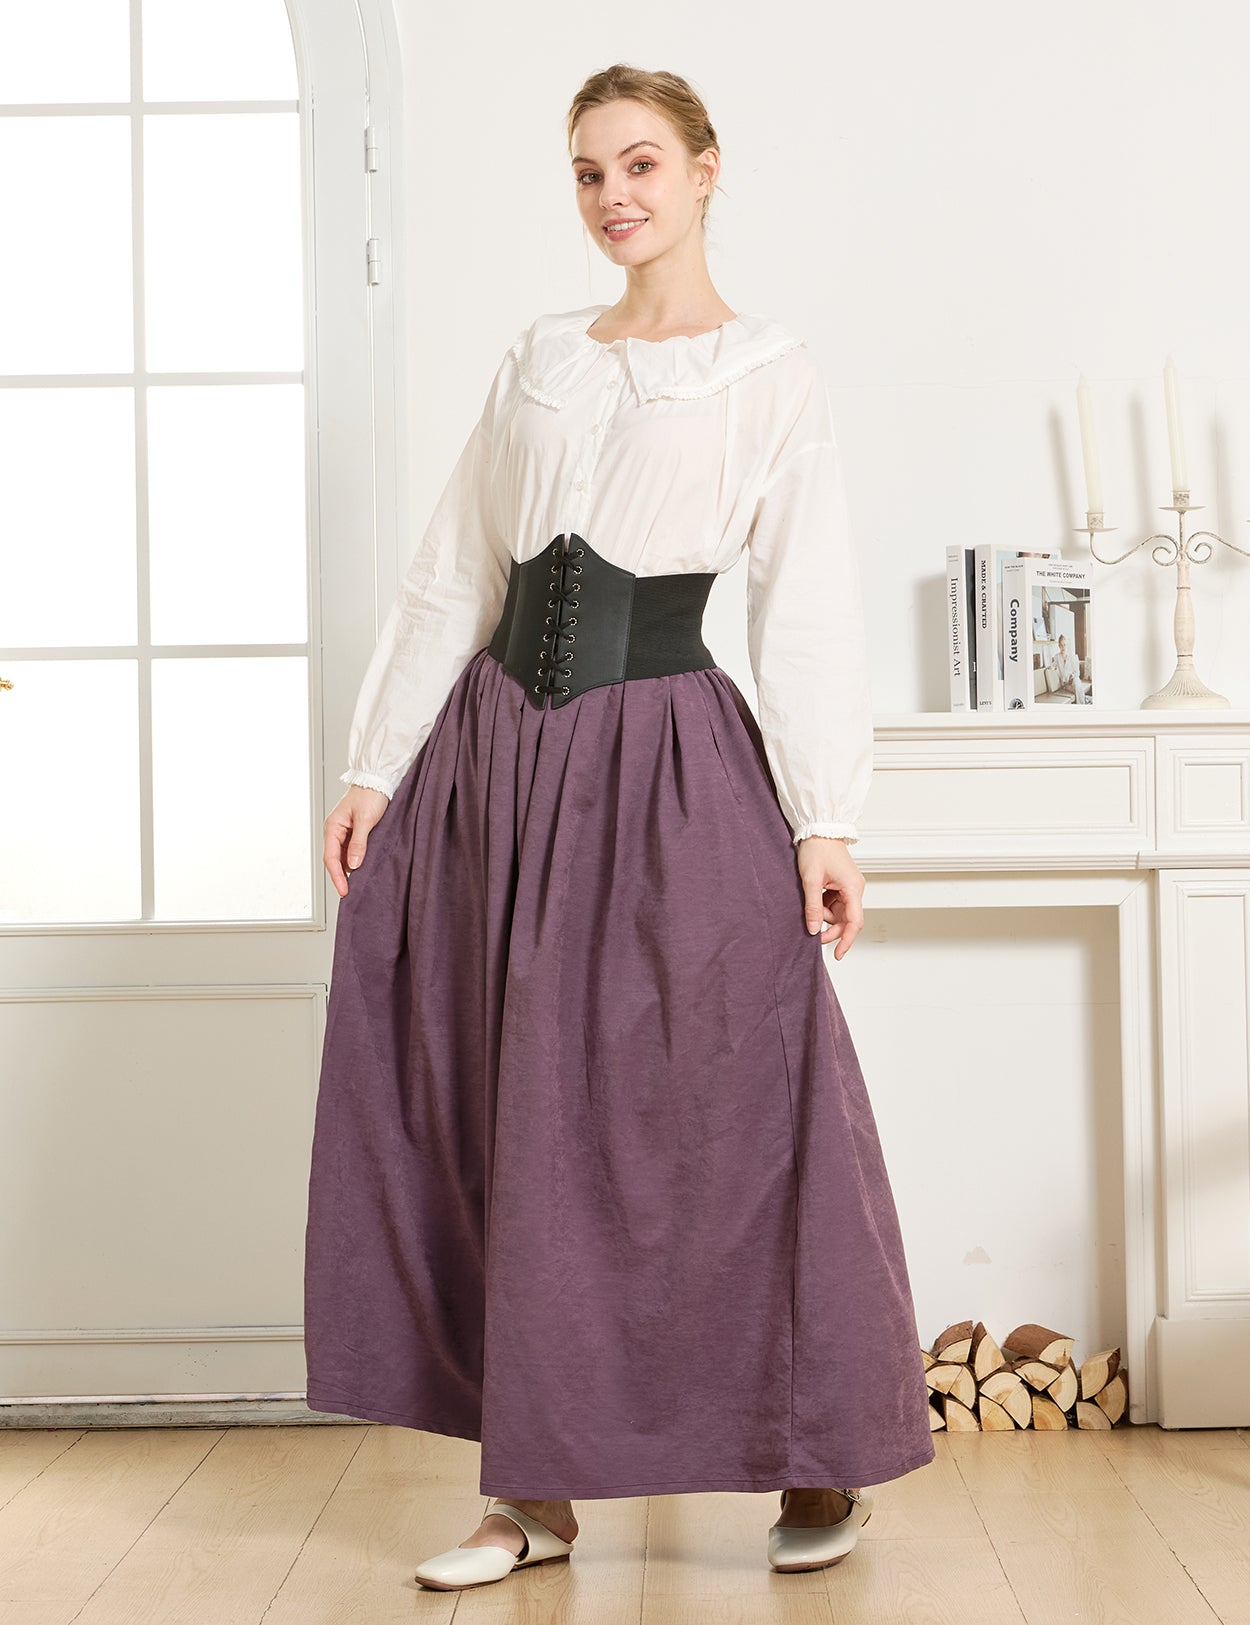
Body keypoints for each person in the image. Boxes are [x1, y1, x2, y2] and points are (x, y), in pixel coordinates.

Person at [303, 62, 936, 1594]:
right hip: (498, 767)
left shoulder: (765, 371)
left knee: (724, 1102)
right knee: (514, 1110)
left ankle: (811, 1451)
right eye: (589, 172)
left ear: (706, 170)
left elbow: (805, 600)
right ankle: (529, 1495)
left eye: (641, 164)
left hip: (666, 767)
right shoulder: (540, 360)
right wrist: (376, 764)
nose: (613, 197)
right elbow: (456, 569)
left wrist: (825, 817)